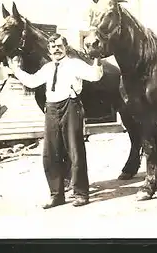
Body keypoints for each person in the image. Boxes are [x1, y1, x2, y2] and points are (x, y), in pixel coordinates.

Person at [6, 33, 103, 208]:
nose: (56, 49)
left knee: (75, 151)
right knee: (50, 154)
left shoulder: (75, 64)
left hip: (70, 106)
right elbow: (33, 81)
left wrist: (97, 59)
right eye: (53, 47)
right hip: (51, 108)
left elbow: (95, 76)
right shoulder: (48, 68)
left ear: (65, 47)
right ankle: (56, 195)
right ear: (49, 50)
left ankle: (80, 193)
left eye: (59, 46)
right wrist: (16, 70)